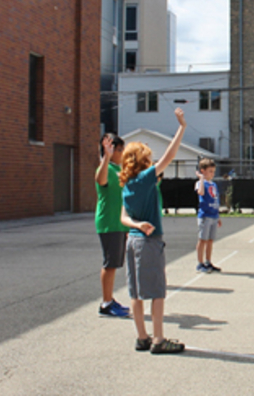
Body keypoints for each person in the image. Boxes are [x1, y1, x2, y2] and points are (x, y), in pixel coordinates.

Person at [120, 108, 187, 354]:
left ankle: (142, 337)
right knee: (157, 292)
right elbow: (168, 157)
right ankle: (158, 340)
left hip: (133, 241)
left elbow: (123, 217)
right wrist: (181, 128)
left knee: (136, 293)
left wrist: (137, 224)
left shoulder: (126, 183)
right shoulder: (145, 178)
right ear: (142, 161)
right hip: (149, 243)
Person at [94, 133, 130, 318]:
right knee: (110, 264)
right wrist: (106, 157)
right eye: (119, 150)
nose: (122, 153)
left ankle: (110, 299)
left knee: (115, 263)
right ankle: (106, 303)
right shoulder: (105, 168)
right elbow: (100, 181)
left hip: (119, 223)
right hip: (109, 223)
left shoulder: (118, 169)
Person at [195, 158, 222, 273]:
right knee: (203, 240)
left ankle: (208, 261)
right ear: (203, 171)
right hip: (205, 216)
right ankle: (200, 263)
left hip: (213, 215)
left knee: (210, 240)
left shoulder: (214, 184)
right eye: (210, 171)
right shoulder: (200, 183)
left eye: (213, 171)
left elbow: (215, 199)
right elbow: (200, 192)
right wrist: (201, 179)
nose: (212, 174)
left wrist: (218, 215)